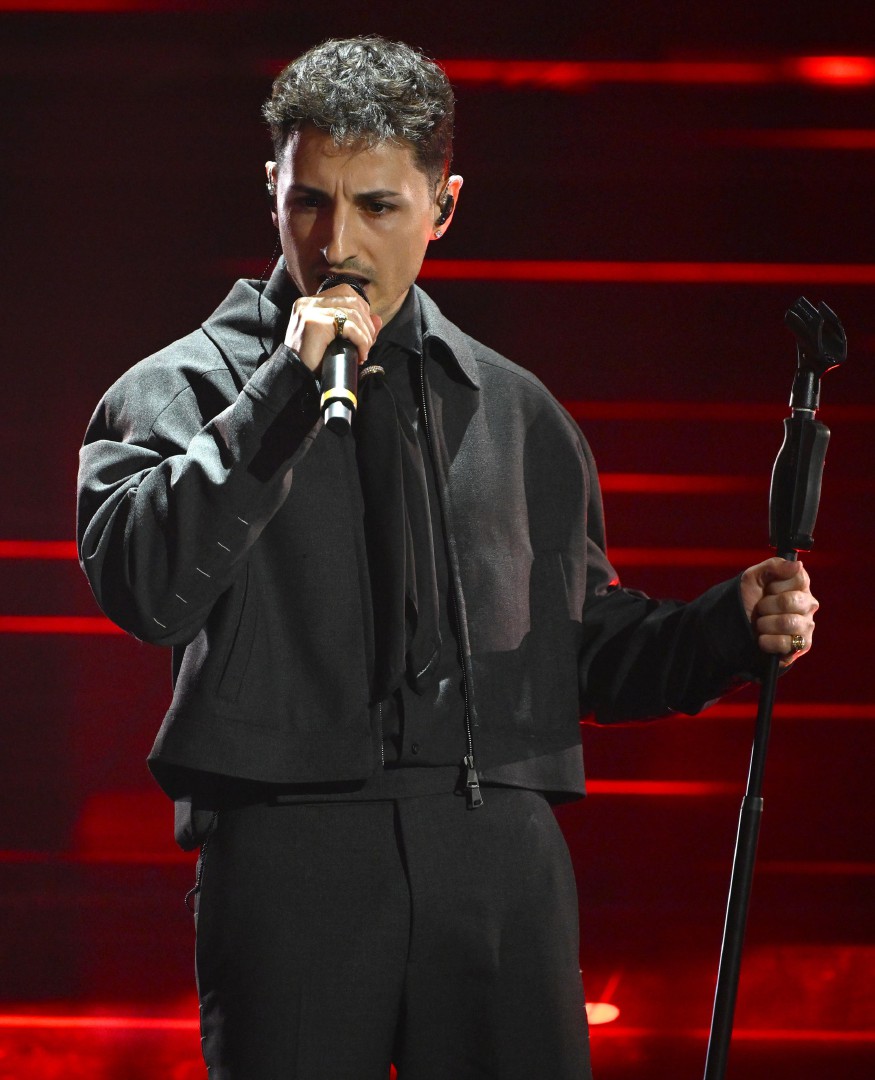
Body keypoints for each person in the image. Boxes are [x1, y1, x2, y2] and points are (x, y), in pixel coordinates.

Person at [76, 35, 818, 1080]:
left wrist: (722, 630)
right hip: (293, 855)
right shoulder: (178, 392)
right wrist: (279, 397)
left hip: (497, 856)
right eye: (309, 203)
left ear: (443, 206)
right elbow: (147, 587)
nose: (337, 240)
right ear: (270, 192)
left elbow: (577, 652)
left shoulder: (518, 411)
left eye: (376, 206)